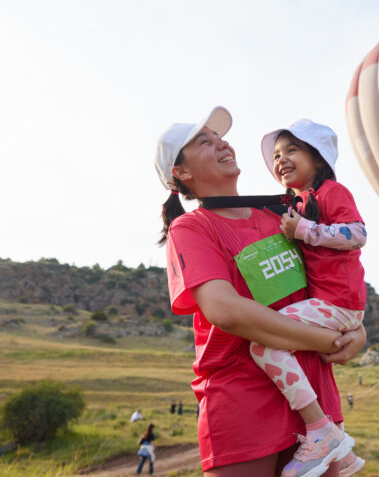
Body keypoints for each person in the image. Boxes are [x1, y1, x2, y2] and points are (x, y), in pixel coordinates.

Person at [155, 106, 366, 477]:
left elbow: (329, 280)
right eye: (205, 142)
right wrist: (328, 340)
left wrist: (357, 330)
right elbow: (226, 311)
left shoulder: (279, 217)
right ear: (182, 172)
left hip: (314, 399)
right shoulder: (191, 228)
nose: (223, 144)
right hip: (244, 400)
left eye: (220, 138)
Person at [249, 119, 368, 476]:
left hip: (338, 301)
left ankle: (320, 430)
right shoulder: (298, 202)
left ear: (318, 159)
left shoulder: (332, 191)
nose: (281, 159)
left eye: (291, 150)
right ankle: (342, 453)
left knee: (263, 343)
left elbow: (358, 234)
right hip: (332, 302)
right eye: (275, 155)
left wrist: (306, 230)